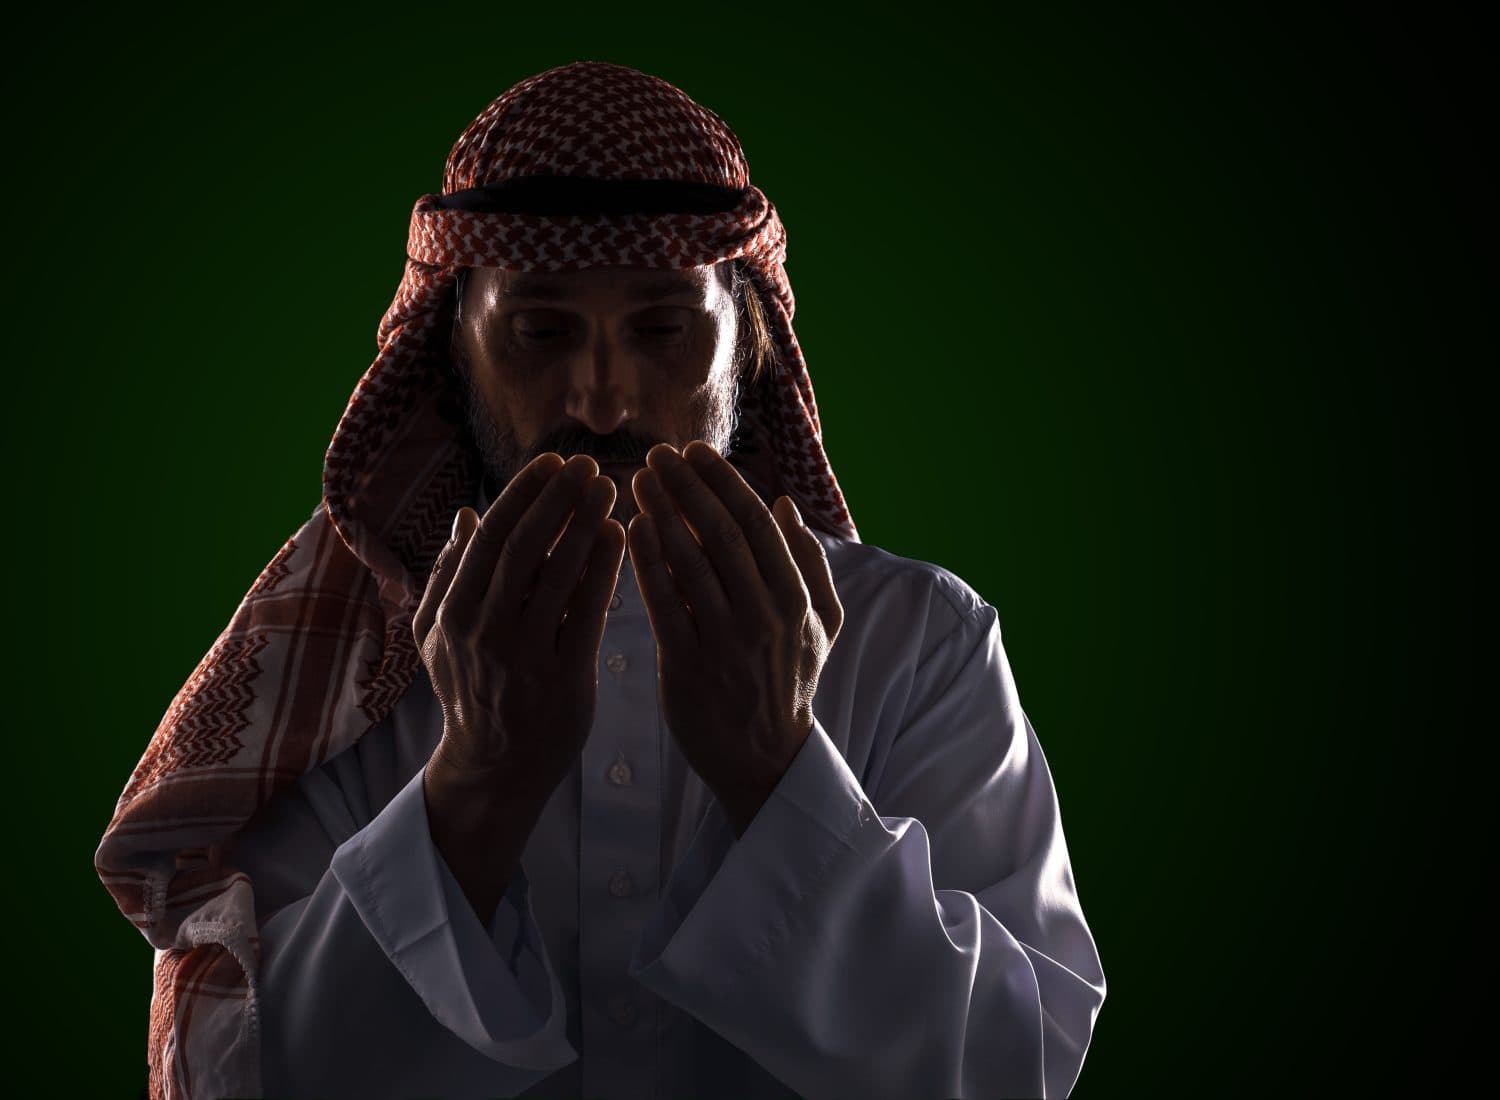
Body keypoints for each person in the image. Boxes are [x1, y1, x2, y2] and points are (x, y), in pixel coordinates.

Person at [95, 60, 1106, 1100]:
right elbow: (250, 1077)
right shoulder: (345, 661)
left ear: (745, 342)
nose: (606, 398)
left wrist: (778, 766)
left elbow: (1015, 1068)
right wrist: (476, 780)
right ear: (457, 352)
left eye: (663, 330)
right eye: (541, 331)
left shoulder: (916, 641)